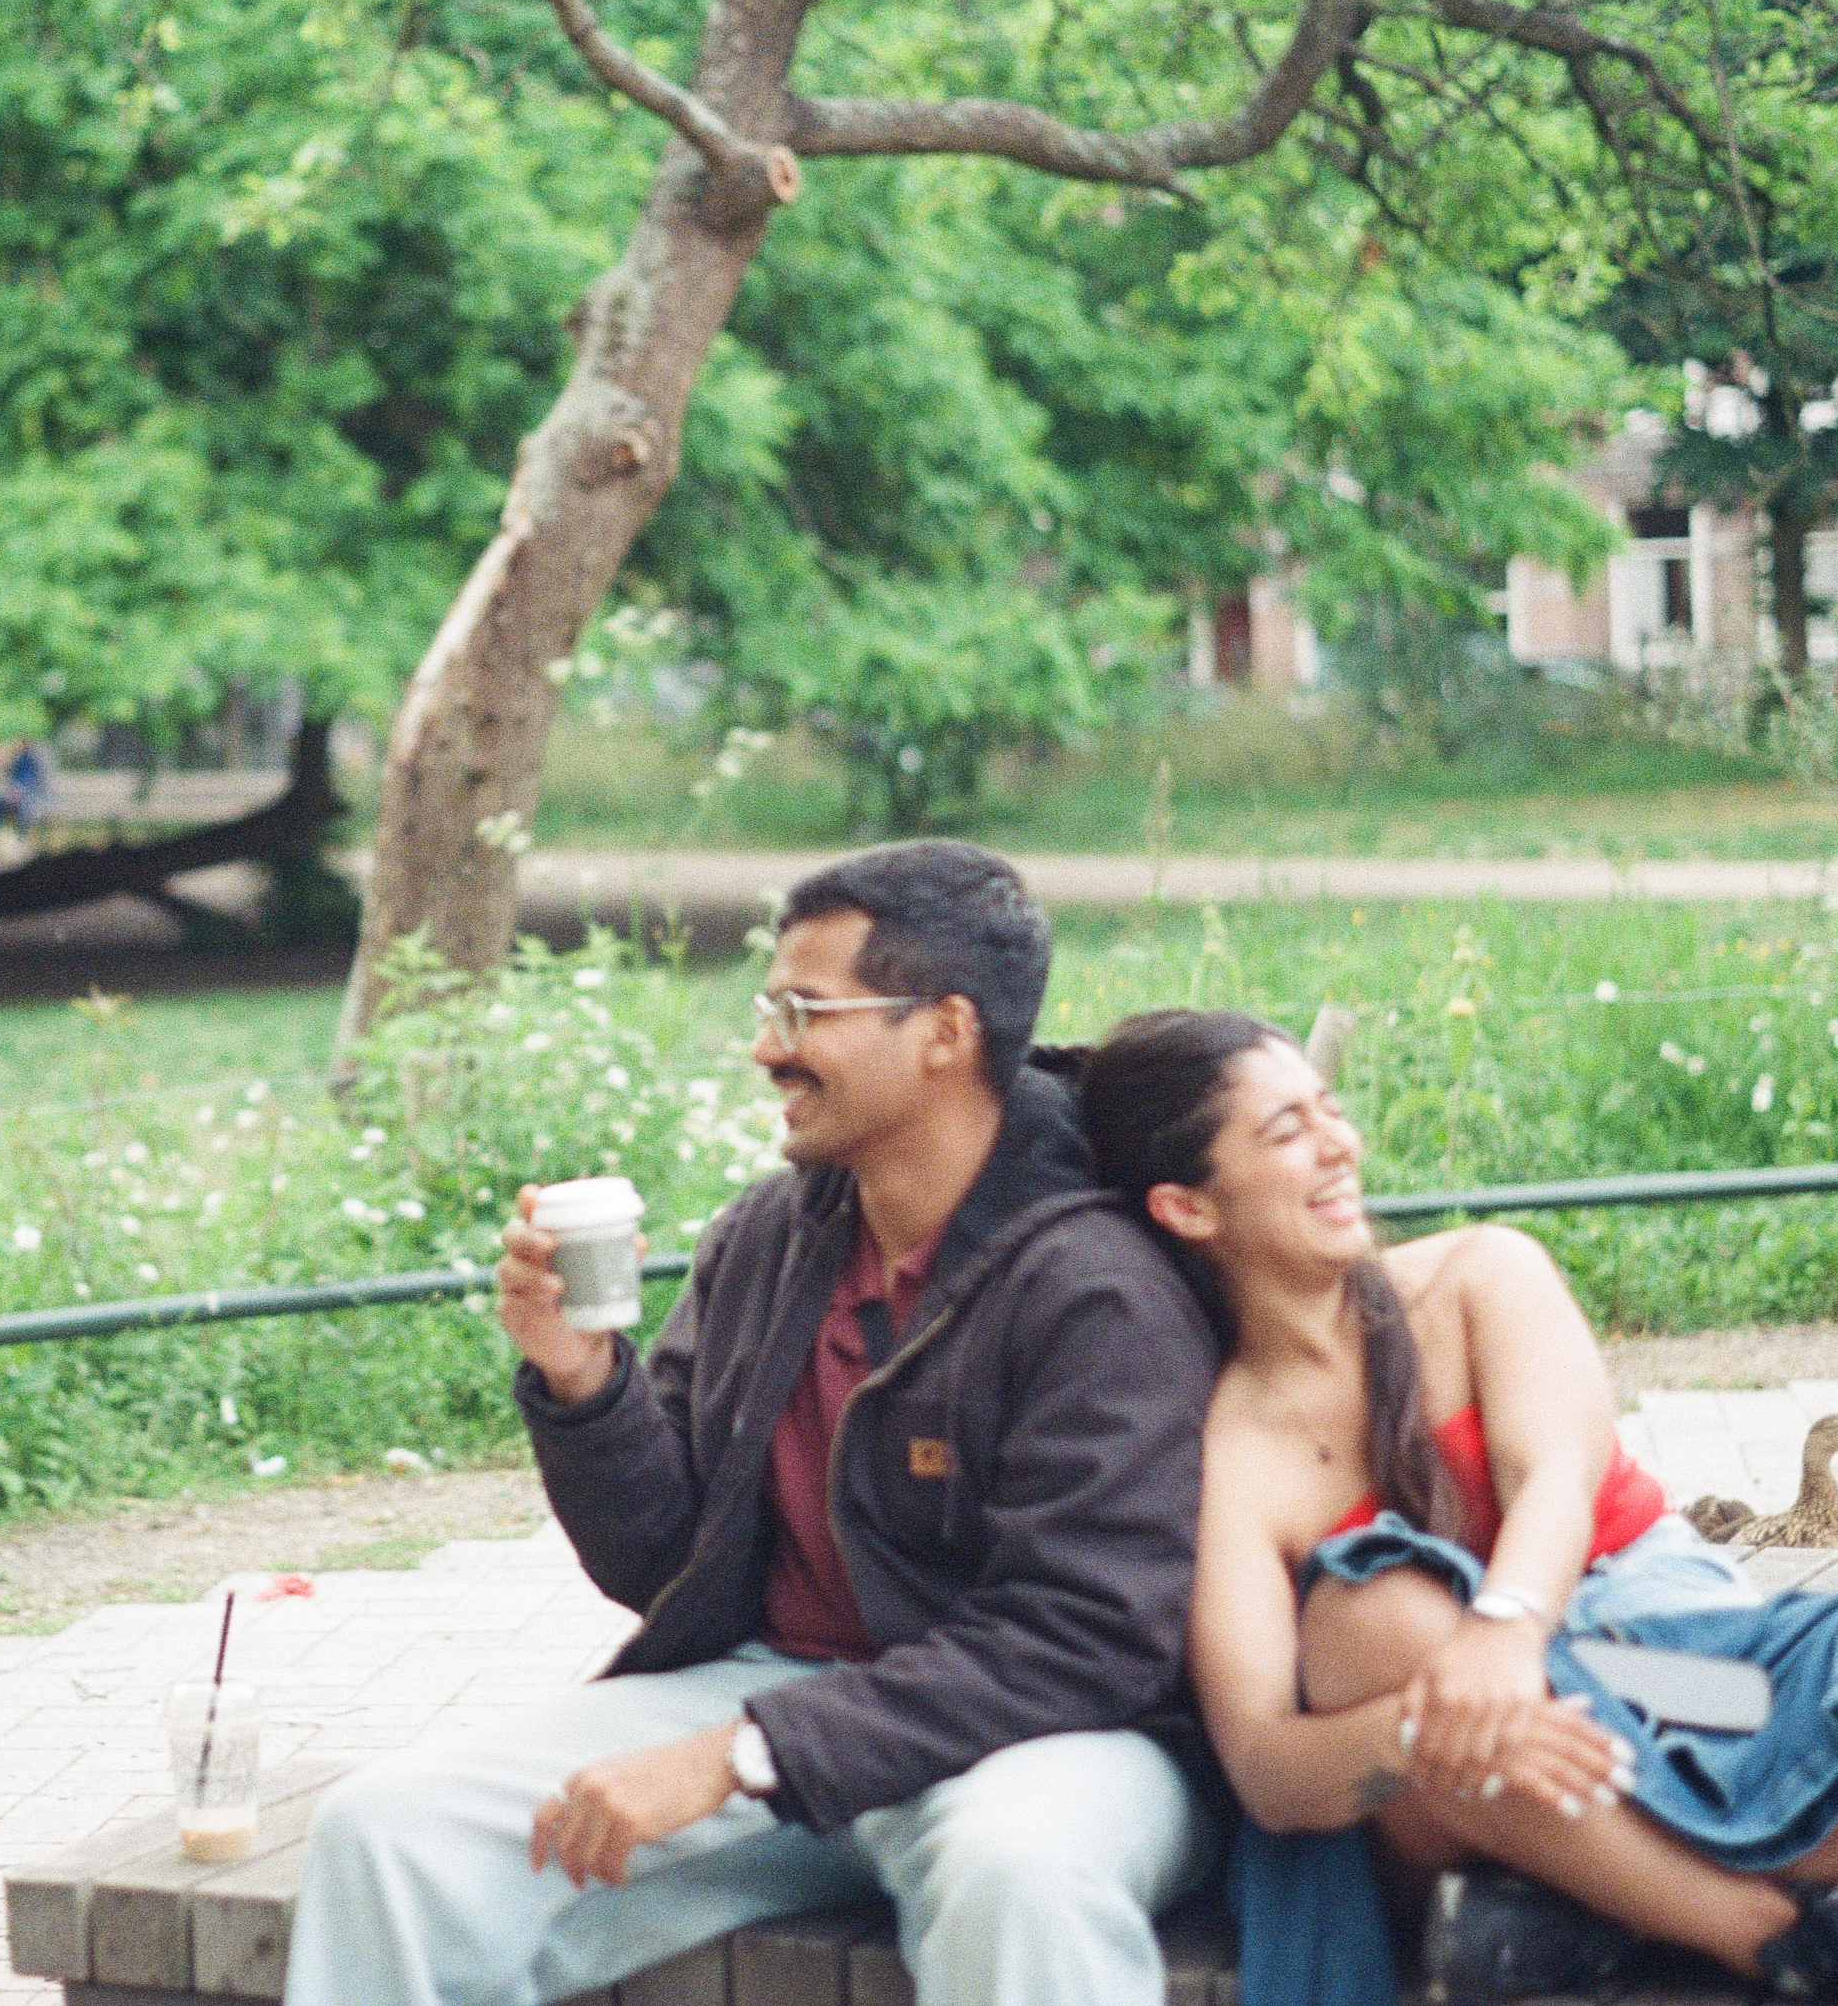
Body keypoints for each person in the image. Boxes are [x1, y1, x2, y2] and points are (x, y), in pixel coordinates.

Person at [284, 840, 1225, 2006]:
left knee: (1014, 1869)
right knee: (389, 1830)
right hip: (781, 1700)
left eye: (804, 1010)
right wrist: (584, 1382)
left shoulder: (1096, 1284)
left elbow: (1084, 1637)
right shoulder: (769, 1240)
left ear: (943, 1031)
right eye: (767, 1006)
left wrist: (747, 1749)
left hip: (1053, 1736)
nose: (765, 1045)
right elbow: (663, 1563)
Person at [1074, 1008, 1838, 2006]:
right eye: (1286, 1131)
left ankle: (1583, 1918)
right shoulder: (1235, 1456)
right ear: (1188, 1207)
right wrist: (1417, 1732)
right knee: (1369, 1617)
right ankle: (1766, 1930)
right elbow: (1265, 1766)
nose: (1339, 1142)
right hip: (1473, 1770)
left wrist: (1507, 1632)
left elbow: (1556, 1474)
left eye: (1328, 1107)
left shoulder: (1478, 1274)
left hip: (1676, 1675)